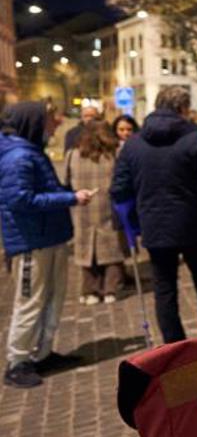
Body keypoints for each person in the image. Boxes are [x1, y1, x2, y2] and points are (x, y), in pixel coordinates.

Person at [111, 86, 197, 343]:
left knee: (164, 290)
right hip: (194, 225)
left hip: (155, 225)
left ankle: (175, 347)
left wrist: (131, 222)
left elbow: (119, 189)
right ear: (183, 109)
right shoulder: (195, 139)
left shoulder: (133, 144)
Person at [1, 102, 93, 388]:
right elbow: (20, 200)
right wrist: (70, 198)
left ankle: (41, 353)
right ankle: (17, 361)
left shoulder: (30, 151)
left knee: (52, 297)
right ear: (34, 123)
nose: (57, 123)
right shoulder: (18, 156)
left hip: (48, 237)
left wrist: (67, 194)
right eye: (51, 119)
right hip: (32, 241)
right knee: (30, 301)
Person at [65, 120, 127, 305]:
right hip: (109, 205)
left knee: (86, 249)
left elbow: (66, 180)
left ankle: (90, 290)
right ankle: (110, 290)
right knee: (112, 247)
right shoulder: (115, 153)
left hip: (83, 205)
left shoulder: (72, 154)